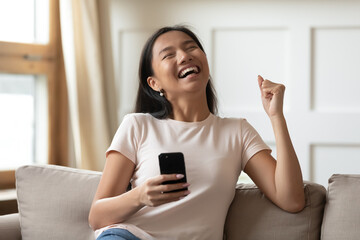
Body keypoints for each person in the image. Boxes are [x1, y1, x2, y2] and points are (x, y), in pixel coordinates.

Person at [88, 25, 305, 240]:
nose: (184, 56)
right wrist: (139, 196)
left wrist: (276, 116)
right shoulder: (137, 125)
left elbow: (292, 200)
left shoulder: (237, 132)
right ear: (154, 83)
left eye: (190, 48)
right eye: (169, 55)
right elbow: (97, 217)